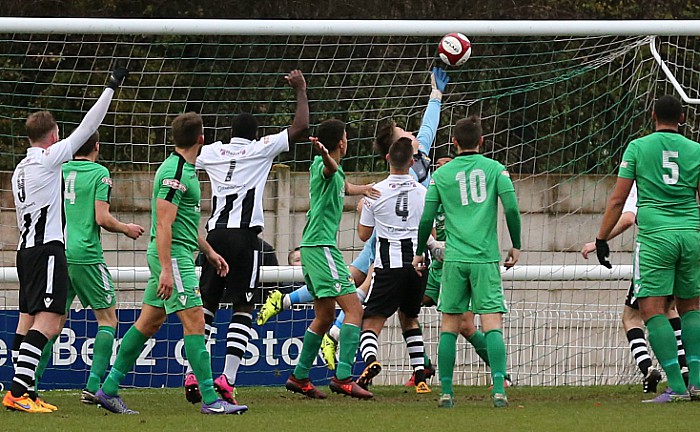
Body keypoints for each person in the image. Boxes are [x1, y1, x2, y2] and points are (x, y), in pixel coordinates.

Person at [95, 112, 247, 415]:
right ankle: (210, 399)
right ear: (201, 139)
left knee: (149, 322)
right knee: (195, 321)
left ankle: (109, 389)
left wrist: (210, 252)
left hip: (176, 254)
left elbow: (183, 226)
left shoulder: (186, 169)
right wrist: (166, 268)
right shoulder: (175, 172)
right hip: (173, 258)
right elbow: (163, 225)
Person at [3, 68, 127, 414]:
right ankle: (17, 393)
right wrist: (110, 89)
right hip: (47, 251)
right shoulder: (49, 159)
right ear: (54, 135)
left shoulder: (20, 169)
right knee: (51, 320)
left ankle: (24, 389)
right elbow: (88, 127)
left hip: (25, 249)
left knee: (27, 319)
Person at [186, 70, 308, 406]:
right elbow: (300, 128)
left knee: (208, 304)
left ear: (229, 134)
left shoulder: (211, 152)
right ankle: (227, 379)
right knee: (243, 306)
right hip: (244, 239)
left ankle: (195, 372)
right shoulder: (260, 149)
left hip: (214, 236)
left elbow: (186, 156)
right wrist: (300, 89)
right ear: (255, 135)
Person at [594, 95, 700, 403]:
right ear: (682, 118)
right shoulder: (696, 150)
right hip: (691, 233)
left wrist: (602, 238)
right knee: (691, 308)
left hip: (656, 237)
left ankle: (677, 388)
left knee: (651, 310)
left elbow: (618, 199)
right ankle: (697, 383)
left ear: (652, 116)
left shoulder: (638, 148)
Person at [413, 115, 521, 408]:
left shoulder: (441, 176)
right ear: (482, 141)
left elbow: (426, 218)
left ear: (454, 142)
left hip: (454, 259)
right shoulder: (496, 170)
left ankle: (446, 393)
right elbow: (511, 208)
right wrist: (516, 245)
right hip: (485, 258)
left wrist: (420, 250)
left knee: (449, 325)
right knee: (492, 324)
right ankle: (499, 388)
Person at [284, 119, 372, 400]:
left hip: (312, 248)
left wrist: (367, 188)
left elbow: (343, 184)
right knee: (354, 309)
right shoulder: (324, 166)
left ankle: (299, 377)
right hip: (321, 248)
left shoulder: (332, 171)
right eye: (346, 136)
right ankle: (344, 376)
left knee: (324, 317)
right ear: (342, 142)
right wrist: (324, 154)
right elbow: (330, 169)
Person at [61, 131, 145, 404]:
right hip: (87, 255)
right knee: (108, 319)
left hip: (60, 252)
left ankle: (29, 386)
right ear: (97, 146)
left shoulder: (61, 170)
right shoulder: (100, 173)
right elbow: (101, 216)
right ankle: (94, 386)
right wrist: (126, 228)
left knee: (51, 323)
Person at [348, 67, 450, 288]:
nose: (411, 133)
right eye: (404, 132)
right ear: (398, 148)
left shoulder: (419, 157)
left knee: (351, 283)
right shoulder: (408, 174)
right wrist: (366, 203)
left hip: (396, 239)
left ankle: (289, 300)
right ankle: (292, 301)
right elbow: (371, 201)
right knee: (359, 288)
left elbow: (428, 128)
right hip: (391, 242)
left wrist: (436, 95)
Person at [581, 182, 687, 393]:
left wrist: (599, 241)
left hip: (656, 250)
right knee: (672, 309)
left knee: (632, 316)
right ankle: (687, 368)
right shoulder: (684, 168)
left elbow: (628, 216)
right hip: (687, 244)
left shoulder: (644, 173)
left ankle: (649, 369)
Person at [354, 137, 431, 394]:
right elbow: (429, 229)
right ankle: (420, 375)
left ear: (387, 158)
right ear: (411, 161)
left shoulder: (374, 192)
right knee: (409, 317)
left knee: (371, 320)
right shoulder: (424, 192)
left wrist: (362, 210)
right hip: (419, 265)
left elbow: (364, 235)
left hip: (389, 265)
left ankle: (371, 360)